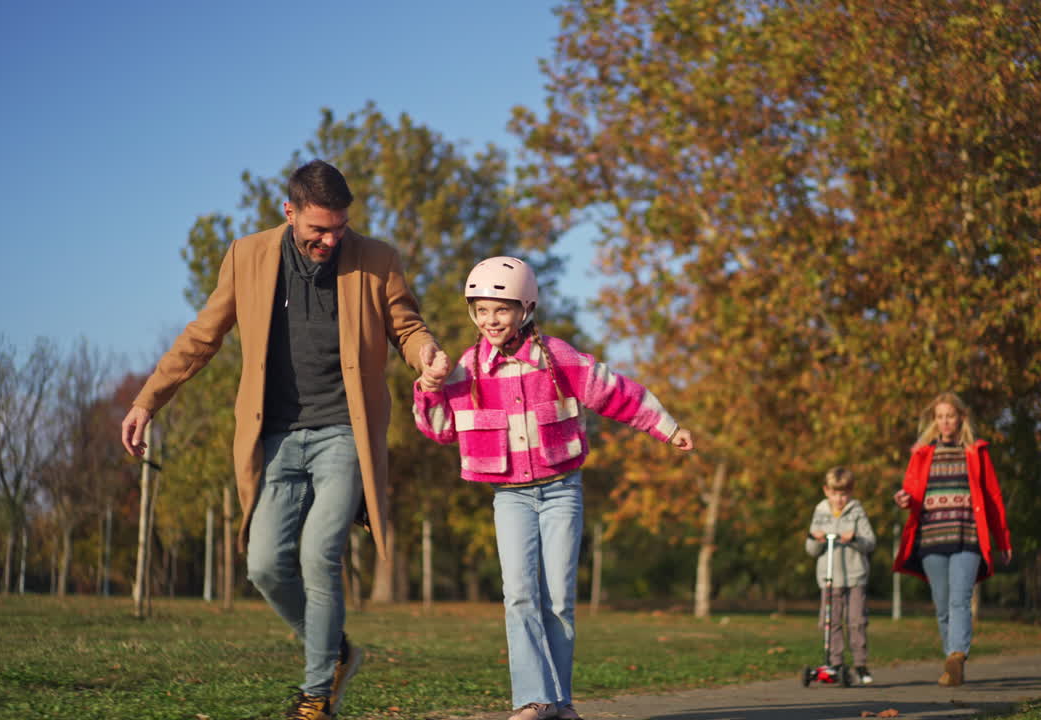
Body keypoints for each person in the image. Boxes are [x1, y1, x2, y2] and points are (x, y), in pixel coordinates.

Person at [119, 159, 448, 720]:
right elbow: (202, 337)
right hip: (276, 437)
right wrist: (147, 400)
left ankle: (316, 695)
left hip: (344, 430)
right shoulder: (248, 258)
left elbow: (407, 326)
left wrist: (427, 357)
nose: (330, 238)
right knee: (266, 565)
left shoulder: (376, 259)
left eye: (339, 227)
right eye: (319, 228)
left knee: (322, 555)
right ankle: (337, 651)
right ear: (290, 212)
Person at [412, 256, 694, 720]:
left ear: (526, 308)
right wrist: (429, 384)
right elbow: (441, 429)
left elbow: (616, 392)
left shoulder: (556, 358)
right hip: (511, 498)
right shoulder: (467, 369)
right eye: (481, 311)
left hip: (562, 490)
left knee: (559, 600)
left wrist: (667, 427)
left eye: (501, 310)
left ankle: (560, 704)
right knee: (520, 595)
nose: (490, 321)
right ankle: (532, 700)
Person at [892, 392, 1012, 687]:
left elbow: (994, 499)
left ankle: (957, 655)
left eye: (950, 415)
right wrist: (903, 499)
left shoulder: (976, 452)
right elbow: (910, 492)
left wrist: (1003, 540)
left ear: (961, 418)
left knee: (960, 600)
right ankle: (952, 664)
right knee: (942, 603)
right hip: (932, 538)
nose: (945, 421)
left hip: (967, 537)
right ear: (935, 421)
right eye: (940, 416)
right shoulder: (921, 453)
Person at [805, 466, 877, 685]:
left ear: (851, 491)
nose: (839, 498)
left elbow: (870, 542)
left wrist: (854, 539)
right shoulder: (820, 512)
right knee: (831, 621)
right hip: (830, 577)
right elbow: (811, 550)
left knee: (856, 621)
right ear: (827, 491)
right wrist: (814, 539)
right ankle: (834, 662)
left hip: (854, 576)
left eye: (844, 493)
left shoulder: (856, 511)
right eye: (835, 493)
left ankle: (860, 663)